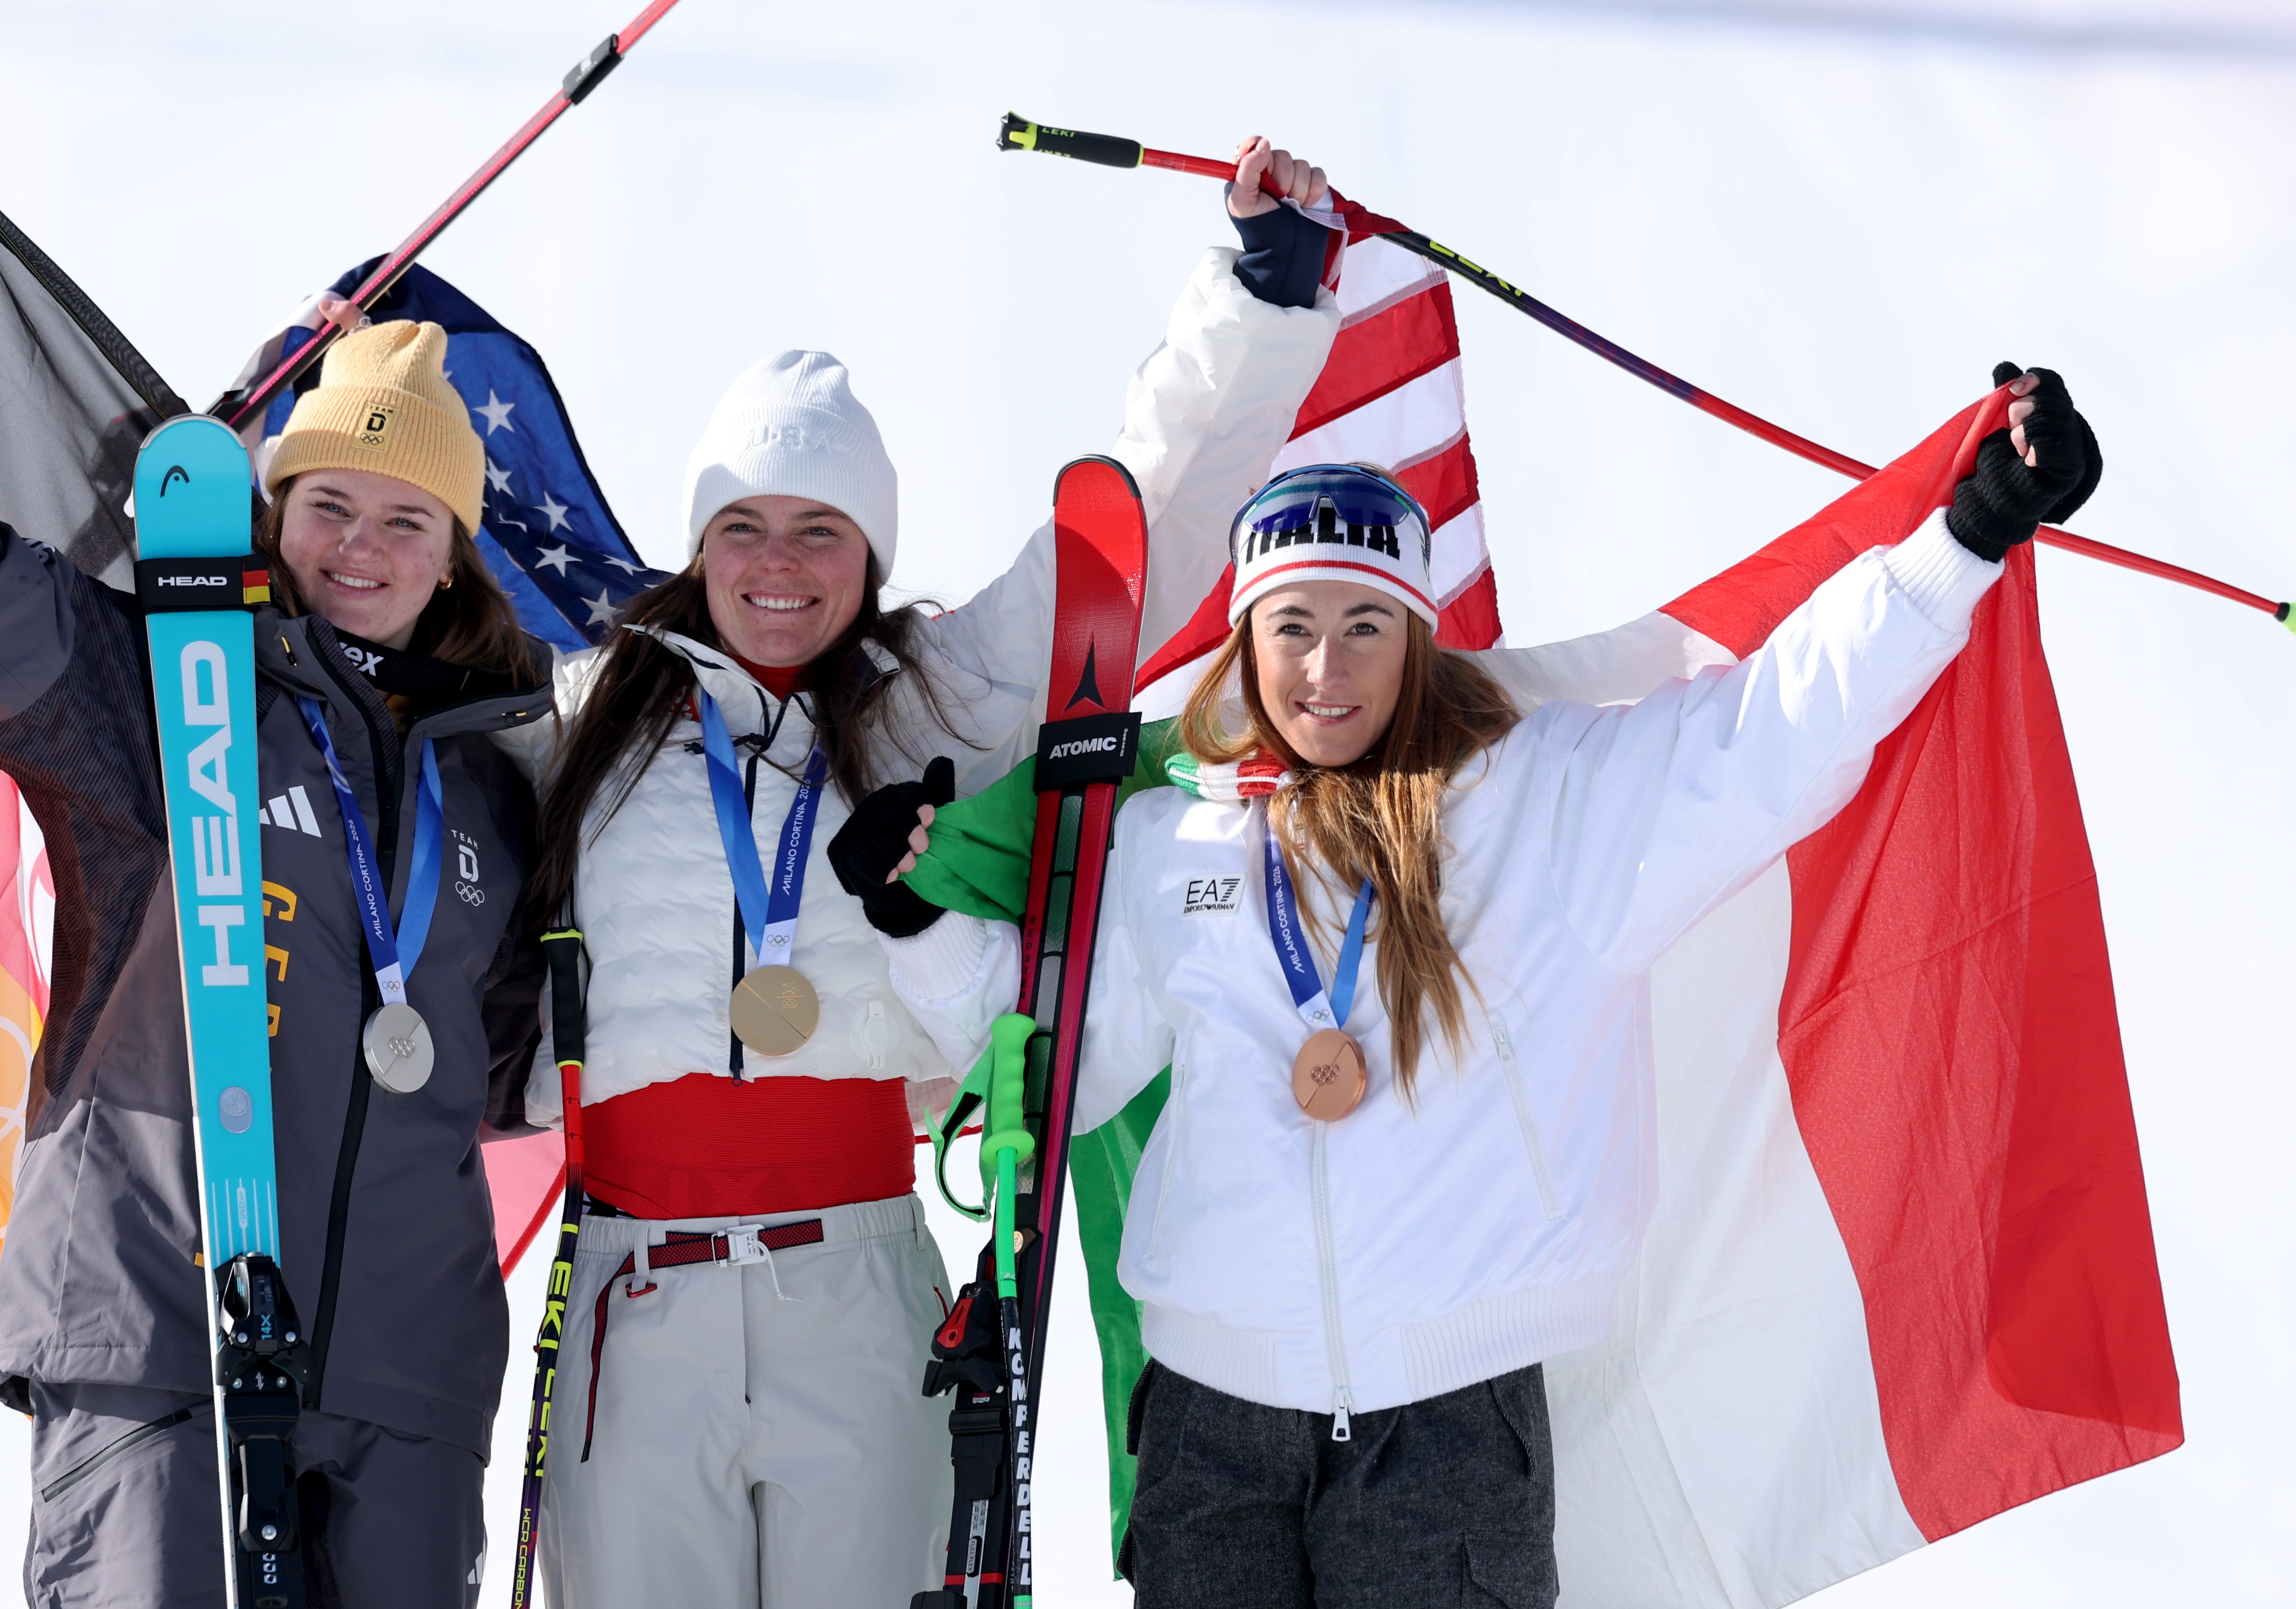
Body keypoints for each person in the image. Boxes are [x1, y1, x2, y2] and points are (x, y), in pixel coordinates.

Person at [833, 373, 2103, 1607]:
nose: (1324, 667)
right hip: (1207, 1426)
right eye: (1290, 626)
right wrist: (913, 918)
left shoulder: (1548, 804)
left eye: (1363, 625)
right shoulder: (1175, 840)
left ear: (1416, 636)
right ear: (1246, 639)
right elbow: (1069, 1066)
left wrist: (1962, 545)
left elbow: (1774, 729)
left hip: (1443, 1427)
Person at [502, 138, 1350, 1608]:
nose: (780, 565)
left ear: (869, 547)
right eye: (745, 528)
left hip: (855, 1276)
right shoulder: (582, 721)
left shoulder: (932, 697)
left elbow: (1128, 534)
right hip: (634, 1302)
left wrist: (1254, 294)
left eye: (818, 529)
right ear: (699, 544)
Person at [0, 112, 559, 1606]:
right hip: (157, 1343)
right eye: (328, 504)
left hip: (406, 1391)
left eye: (405, 518)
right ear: (274, 516)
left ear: (455, 551)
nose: (361, 545)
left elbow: (513, 1062)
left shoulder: (498, 791)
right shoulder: (156, 688)